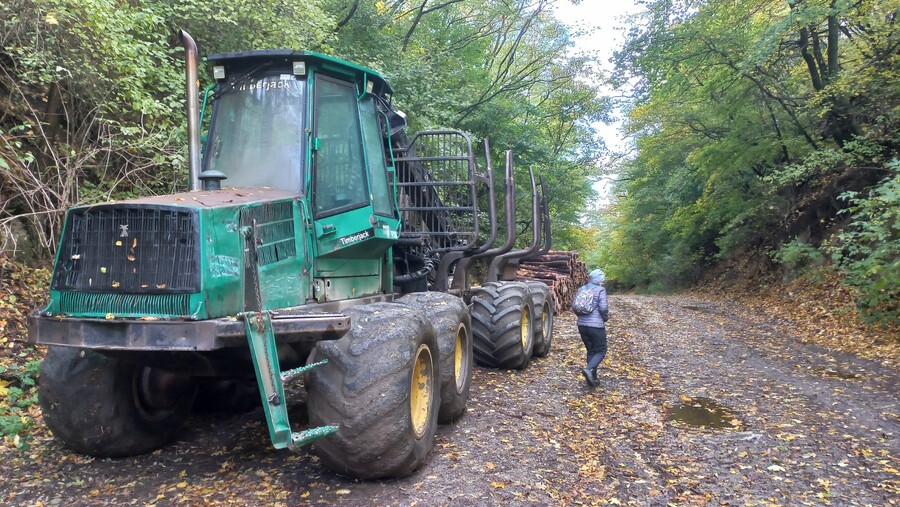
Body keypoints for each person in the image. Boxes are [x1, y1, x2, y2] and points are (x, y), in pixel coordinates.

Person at [576, 269, 609, 387]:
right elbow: (603, 308)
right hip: (596, 326)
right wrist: (605, 318)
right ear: (599, 279)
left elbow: (575, 306)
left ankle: (592, 379)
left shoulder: (582, 289)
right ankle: (588, 369)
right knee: (601, 350)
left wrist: (581, 317)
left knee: (591, 350)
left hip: (581, 325)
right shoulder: (600, 290)